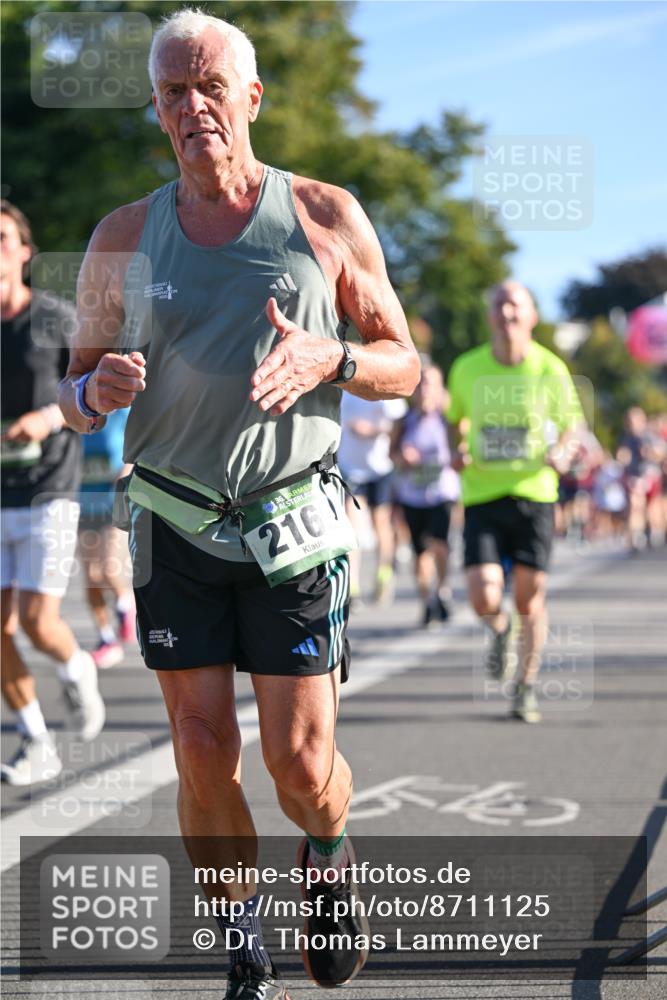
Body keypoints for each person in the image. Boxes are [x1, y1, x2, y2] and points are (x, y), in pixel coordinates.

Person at [58, 10, 419, 999]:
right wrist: (95, 393)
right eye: (173, 91)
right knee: (201, 748)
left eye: (210, 84)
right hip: (173, 517)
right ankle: (240, 933)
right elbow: (72, 386)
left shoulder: (321, 214)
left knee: (300, 764)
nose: (193, 105)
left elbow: (404, 361)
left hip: (293, 515)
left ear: (251, 98)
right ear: (156, 113)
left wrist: (330, 355)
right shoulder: (124, 236)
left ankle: (331, 849)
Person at [1, 200, 105, 786]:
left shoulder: (56, 319)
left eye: (1, 238)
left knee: (39, 622)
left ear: (23, 252)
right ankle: (35, 740)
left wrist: (46, 417)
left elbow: (90, 385)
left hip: (48, 490)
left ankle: (76, 669)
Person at [447, 281, 584, 723]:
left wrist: (562, 452)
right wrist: (458, 448)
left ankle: (525, 686)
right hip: (483, 493)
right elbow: (455, 421)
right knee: (484, 595)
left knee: (530, 600)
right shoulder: (467, 368)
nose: (507, 313)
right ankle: (499, 628)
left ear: (531, 316)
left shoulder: (551, 369)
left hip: (534, 494)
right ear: (490, 316)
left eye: (516, 305)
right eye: (500, 305)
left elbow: (571, 426)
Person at [391, 364, 460, 625]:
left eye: (430, 383)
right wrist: (403, 458)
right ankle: (426, 601)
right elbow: (392, 453)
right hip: (412, 495)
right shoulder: (404, 421)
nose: (425, 389)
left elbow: (462, 449)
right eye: (420, 384)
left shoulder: (449, 420)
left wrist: (456, 456)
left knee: (440, 545)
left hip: (442, 492)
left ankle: (442, 590)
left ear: (441, 389)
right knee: (420, 553)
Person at [78, 407, 135, 668]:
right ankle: (106, 638)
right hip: (82, 502)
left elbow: (137, 443)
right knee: (91, 578)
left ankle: (126, 607)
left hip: (113, 499)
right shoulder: (72, 405)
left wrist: (125, 474)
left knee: (110, 566)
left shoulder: (121, 406)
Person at [338, 394, 407, 604]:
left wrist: (372, 431)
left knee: (380, 523)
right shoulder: (344, 387)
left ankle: (383, 573)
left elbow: (399, 420)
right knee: (352, 525)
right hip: (350, 466)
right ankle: (353, 585)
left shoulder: (381, 388)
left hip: (379, 467)